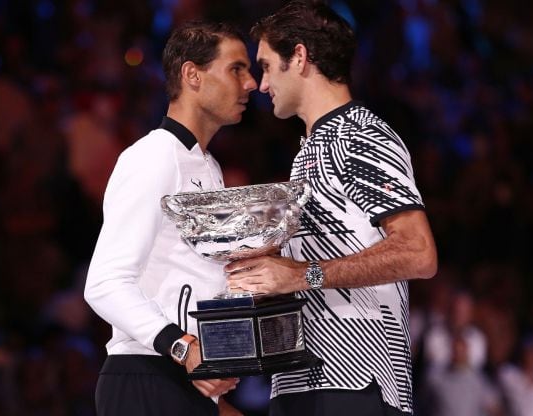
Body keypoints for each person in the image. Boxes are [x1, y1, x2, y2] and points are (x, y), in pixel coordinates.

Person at [224, 1, 437, 415]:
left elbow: (418, 252)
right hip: (304, 379)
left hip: (356, 381)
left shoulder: (359, 134)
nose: (262, 85)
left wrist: (302, 275)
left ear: (299, 57)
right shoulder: (313, 146)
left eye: (267, 66)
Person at [83, 21, 257, 416]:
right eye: (236, 69)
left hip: (182, 380)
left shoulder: (206, 165)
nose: (250, 84)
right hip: (147, 374)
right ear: (192, 75)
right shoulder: (154, 156)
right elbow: (105, 283)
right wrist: (184, 346)